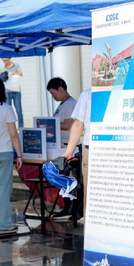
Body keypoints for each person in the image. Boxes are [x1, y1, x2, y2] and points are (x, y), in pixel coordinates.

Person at [0, 78, 23, 235]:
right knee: (3, 188)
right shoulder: (6, 108)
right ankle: (2, 225)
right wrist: (19, 155)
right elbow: (13, 135)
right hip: (4, 152)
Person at [61, 89, 91, 225]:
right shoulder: (87, 94)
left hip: (93, 149)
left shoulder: (88, 94)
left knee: (91, 192)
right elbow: (78, 124)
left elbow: (78, 124)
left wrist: (69, 152)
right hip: (116, 150)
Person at [47, 77, 77, 145]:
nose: (52, 96)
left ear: (60, 89)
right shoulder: (63, 103)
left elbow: (67, 125)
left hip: (68, 144)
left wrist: (49, 125)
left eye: (53, 93)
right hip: (63, 143)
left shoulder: (70, 103)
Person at [0, 58, 23, 128]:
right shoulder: (2, 68)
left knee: (19, 110)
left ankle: (21, 127)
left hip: (16, 91)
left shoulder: (16, 65)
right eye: (3, 61)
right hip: (7, 91)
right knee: (7, 110)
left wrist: (12, 73)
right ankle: (9, 127)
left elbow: (21, 74)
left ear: (9, 58)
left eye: (6, 60)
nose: (5, 62)